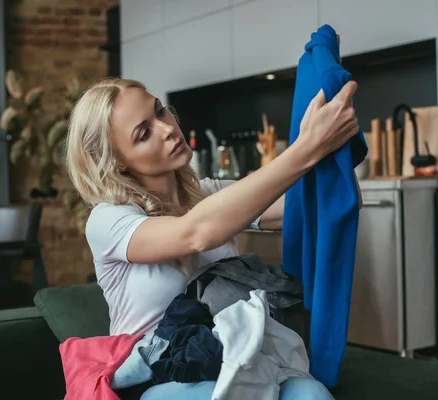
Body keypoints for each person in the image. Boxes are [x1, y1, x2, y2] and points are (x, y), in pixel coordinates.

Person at [65, 74, 360, 399]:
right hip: (157, 378)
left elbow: (319, 207)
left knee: (311, 393)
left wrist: (336, 150)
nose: (167, 129)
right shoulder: (108, 219)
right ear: (118, 162)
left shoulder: (208, 195)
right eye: (144, 133)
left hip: (230, 359)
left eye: (160, 111)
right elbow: (195, 233)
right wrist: (306, 148)